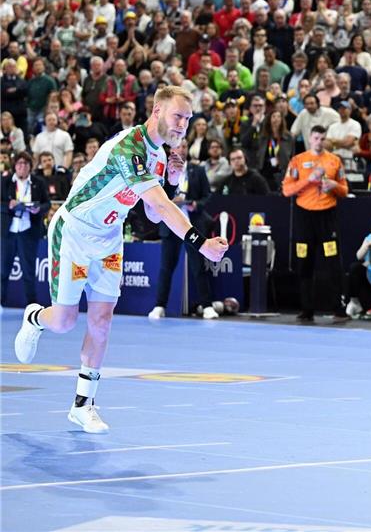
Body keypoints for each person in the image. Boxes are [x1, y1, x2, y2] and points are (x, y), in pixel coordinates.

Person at [13, 86, 229, 434]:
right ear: (157, 111)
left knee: (101, 320)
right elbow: (160, 208)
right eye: (178, 116)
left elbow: (153, 215)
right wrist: (199, 242)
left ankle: (83, 404)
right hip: (75, 233)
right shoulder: (129, 146)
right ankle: (35, 318)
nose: (183, 125)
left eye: (189, 120)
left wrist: (172, 181)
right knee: (65, 321)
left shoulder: (160, 156)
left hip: (110, 240)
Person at [282, 125, 349, 322]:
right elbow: (287, 190)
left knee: (333, 263)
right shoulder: (297, 161)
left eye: (322, 138)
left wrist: (335, 186)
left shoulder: (334, 161)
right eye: (316, 138)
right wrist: (309, 181)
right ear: (310, 138)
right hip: (305, 217)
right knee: (304, 263)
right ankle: (306, 310)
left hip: (327, 217)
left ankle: (338, 309)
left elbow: (345, 190)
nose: (319, 142)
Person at [148, 139, 217, 320]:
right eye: (179, 145)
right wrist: (171, 200)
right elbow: (157, 197)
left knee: (198, 266)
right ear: (172, 149)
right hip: (170, 225)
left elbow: (207, 195)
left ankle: (207, 306)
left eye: (185, 146)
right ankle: (159, 306)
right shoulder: (161, 170)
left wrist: (196, 204)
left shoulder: (198, 170)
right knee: (166, 268)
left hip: (192, 224)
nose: (182, 149)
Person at [1, 152, 50, 307]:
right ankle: (1, 303)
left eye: (26, 163)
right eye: (19, 163)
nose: (22, 166)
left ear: (30, 166)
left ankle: (32, 306)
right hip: (7, 231)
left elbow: (47, 204)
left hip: (28, 230)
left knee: (28, 272)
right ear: (15, 166)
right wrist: (8, 205)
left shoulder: (38, 182)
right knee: (3, 271)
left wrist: (38, 209)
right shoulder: (5, 181)